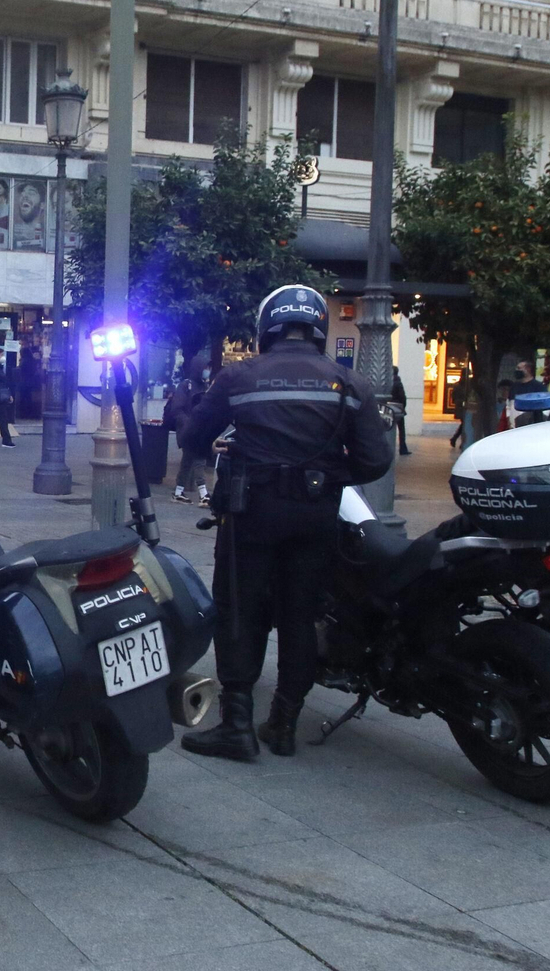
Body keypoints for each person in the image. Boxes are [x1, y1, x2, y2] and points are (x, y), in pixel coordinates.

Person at [179, 284, 392, 761]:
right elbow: (375, 462)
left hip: (250, 514)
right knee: (301, 616)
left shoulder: (239, 378)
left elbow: (192, 439)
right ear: (318, 328)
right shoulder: (350, 383)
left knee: (240, 610)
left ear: (267, 328)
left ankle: (236, 726)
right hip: (315, 516)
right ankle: (283, 723)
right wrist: (327, 474)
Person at [165, 362, 211, 506]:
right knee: (199, 459)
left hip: (196, 429)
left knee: (188, 461)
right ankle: (203, 495)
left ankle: (178, 493)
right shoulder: (186, 385)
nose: (207, 371)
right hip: (190, 430)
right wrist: (190, 423)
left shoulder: (204, 386)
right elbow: (177, 409)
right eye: (205, 368)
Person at [390, 366, 411, 455]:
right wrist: (403, 406)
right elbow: (402, 396)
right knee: (401, 429)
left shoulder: (388, 382)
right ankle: (403, 448)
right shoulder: (398, 383)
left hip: (389, 407)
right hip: (398, 407)